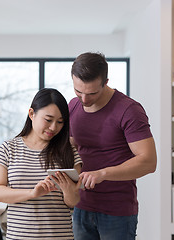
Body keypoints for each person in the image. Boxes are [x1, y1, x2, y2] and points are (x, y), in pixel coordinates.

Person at [68, 52, 157, 240]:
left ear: (106, 81)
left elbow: (148, 162)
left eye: (92, 93)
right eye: (78, 91)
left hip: (117, 210)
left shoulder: (128, 110)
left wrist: (102, 174)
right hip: (81, 206)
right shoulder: (73, 106)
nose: (84, 99)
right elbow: (71, 149)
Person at [0, 88, 83, 240]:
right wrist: (32, 193)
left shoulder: (69, 152)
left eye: (60, 122)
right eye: (48, 120)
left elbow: (73, 202)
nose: (54, 127)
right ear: (31, 114)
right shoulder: (8, 148)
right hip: (19, 236)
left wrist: (68, 190)